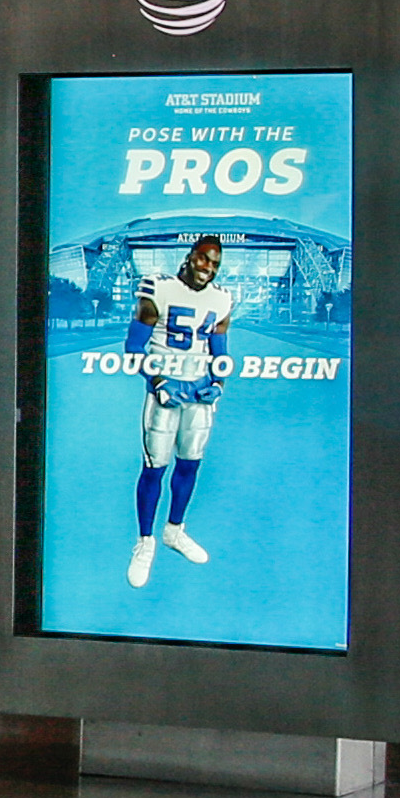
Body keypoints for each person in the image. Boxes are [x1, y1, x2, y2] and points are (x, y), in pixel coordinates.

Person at [123, 233, 232, 588]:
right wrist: (157, 382)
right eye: (204, 259)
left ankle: (174, 531)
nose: (208, 268)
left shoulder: (222, 298)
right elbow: (134, 345)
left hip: (197, 392)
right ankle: (145, 542)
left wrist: (217, 384)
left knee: (190, 463)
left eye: (215, 263)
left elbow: (220, 351)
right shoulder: (158, 287)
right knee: (155, 467)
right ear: (190, 256)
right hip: (165, 390)